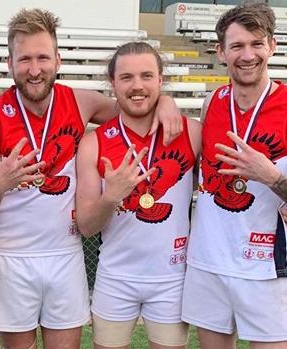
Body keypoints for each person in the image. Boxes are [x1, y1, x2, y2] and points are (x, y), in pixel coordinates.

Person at [0, 8, 183, 349]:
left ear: (58, 60)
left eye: (43, 57)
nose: (35, 69)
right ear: (10, 63)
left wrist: (167, 102)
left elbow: (134, 106)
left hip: (65, 252)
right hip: (11, 256)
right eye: (24, 59)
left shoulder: (81, 102)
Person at [182, 3, 287, 349]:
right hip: (208, 263)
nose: (247, 55)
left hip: (266, 269)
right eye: (237, 46)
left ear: (272, 45)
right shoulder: (212, 103)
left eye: (256, 43)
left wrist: (272, 177)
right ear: (221, 52)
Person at [75, 42, 200, 349]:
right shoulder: (94, 144)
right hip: (115, 277)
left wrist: (285, 203)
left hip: (172, 278)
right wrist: (110, 197)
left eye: (146, 76)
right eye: (127, 77)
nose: (137, 86)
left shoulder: (193, 133)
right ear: (112, 83)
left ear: (160, 80)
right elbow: (87, 226)